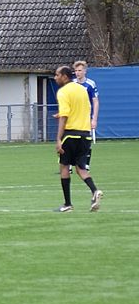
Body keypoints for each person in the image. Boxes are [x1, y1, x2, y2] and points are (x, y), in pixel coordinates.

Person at [54, 65, 103, 212]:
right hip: (85, 134)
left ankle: (67, 204)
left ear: (65, 76)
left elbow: (65, 116)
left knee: (64, 167)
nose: (55, 78)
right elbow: (83, 109)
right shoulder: (82, 90)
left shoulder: (63, 92)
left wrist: (58, 139)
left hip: (70, 134)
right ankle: (95, 191)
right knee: (81, 168)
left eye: (57, 75)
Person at [73, 60, 99, 169]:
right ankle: (70, 164)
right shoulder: (72, 84)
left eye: (79, 70)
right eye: (76, 71)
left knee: (86, 140)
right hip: (74, 117)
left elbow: (95, 101)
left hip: (85, 117)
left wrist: (94, 119)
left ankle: (86, 164)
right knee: (72, 140)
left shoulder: (90, 84)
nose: (77, 73)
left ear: (85, 71)